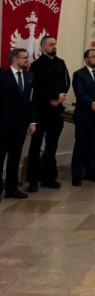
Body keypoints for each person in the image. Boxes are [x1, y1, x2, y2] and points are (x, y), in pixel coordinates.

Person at [26, 35, 70, 192]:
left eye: (55, 43)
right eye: (51, 44)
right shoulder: (36, 65)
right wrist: (53, 97)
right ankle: (33, 180)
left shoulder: (61, 63)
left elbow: (66, 82)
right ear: (43, 47)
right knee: (36, 145)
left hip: (56, 111)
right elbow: (36, 87)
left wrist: (60, 97)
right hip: (41, 110)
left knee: (52, 145)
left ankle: (49, 178)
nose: (54, 46)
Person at [70, 48, 95, 186]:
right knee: (80, 144)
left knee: (94, 144)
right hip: (84, 115)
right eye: (93, 56)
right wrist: (94, 106)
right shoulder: (79, 74)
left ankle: (91, 172)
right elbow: (80, 93)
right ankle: (76, 174)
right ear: (86, 59)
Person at [0, 49, 36, 200]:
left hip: (21, 125)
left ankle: (11, 189)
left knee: (15, 159)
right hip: (3, 125)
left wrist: (32, 122)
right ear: (15, 59)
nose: (27, 60)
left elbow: (31, 101)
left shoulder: (29, 76)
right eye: (24, 58)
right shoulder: (2, 76)